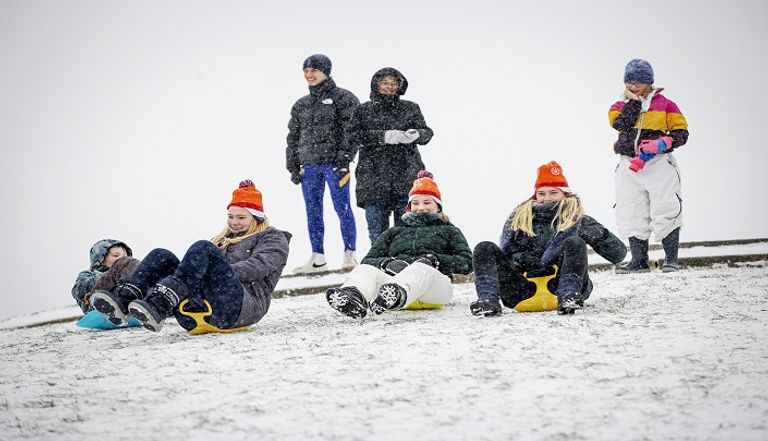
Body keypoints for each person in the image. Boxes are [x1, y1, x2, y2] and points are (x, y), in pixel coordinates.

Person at [90, 180, 291, 333]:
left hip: (237, 310)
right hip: (194, 313)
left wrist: (209, 273)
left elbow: (258, 267)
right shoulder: (222, 240)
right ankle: (125, 299)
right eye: (230, 216)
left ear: (256, 218)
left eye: (241, 217)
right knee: (161, 255)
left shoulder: (272, 237)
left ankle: (162, 302)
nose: (234, 222)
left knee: (203, 247)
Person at [469, 161, 627, 316]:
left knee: (574, 242)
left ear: (564, 193)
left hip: (559, 286)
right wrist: (521, 258)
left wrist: (602, 236)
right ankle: (488, 300)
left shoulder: (579, 220)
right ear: (535, 195)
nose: (547, 198)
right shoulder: (520, 220)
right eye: (542, 193)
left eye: (553, 192)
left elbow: (619, 255)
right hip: (522, 290)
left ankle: (569, 296)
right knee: (484, 247)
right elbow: (507, 254)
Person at [325, 171, 472, 318]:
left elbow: (467, 263)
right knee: (365, 269)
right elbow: (368, 260)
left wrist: (435, 260)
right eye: (415, 203)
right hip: (393, 284)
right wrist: (386, 263)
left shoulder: (449, 230)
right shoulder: (394, 232)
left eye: (427, 202)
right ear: (409, 206)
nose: (420, 207)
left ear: (438, 206)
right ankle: (353, 297)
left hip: (433, 290)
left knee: (421, 267)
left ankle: (396, 294)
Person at [609, 58, 689, 273]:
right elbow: (621, 124)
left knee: (666, 207)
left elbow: (682, 133)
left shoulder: (667, 105)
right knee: (631, 209)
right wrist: (634, 102)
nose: (633, 86)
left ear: (649, 82)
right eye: (629, 81)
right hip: (628, 165)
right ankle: (639, 261)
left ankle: (671, 259)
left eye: (638, 82)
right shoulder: (618, 106)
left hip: (658, 164)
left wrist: (663, 142)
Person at [286, 54, 359, 274]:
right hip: (308, 166)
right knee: (313, 211)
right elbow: (293, 136)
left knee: (342, 208)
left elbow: (351, 131)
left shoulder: (344, 98)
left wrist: (345, 159)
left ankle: (350, 255)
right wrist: (293, 165)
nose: (309, 74)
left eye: (314, 70)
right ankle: (318, 257)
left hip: (335, 165)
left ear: (325, 71)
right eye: (306, 71)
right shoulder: (301, 104)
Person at [345, 67, 434, 244]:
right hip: (372, 181)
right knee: (378, 237)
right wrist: (383, 136)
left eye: (394, 83)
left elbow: (427, 133)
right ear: (376, 84)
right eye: (385, 82)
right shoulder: (363, 110)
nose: (389, 87)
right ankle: (379, 267)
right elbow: (352, 136)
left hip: (406, 178)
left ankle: (404, 267)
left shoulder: (410, 108)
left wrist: (416, 134)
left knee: (406, 235)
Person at [71, 239, 140, 314]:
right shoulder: (88, 274)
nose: (122, 258)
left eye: (125, 256)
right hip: (98, 306)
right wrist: (112, 275)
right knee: (126, 264)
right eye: (116, 255)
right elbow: (77, 292)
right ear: (101, 258)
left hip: (125, 303)